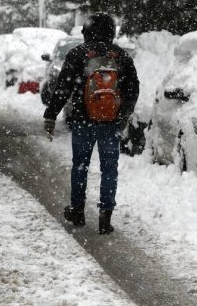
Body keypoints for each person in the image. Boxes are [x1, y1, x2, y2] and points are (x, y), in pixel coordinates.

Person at [43, 12, 139, 234]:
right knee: (109, 169)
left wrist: (51, 115)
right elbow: (133, 89)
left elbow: (63, 87)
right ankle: (105, 216)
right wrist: (123, 115)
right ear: (111, 32)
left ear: (87, 31)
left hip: (82, 121)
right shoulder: (121, 56)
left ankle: (77, 210)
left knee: (80, 166)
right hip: (111, 123)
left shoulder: (78, 54)